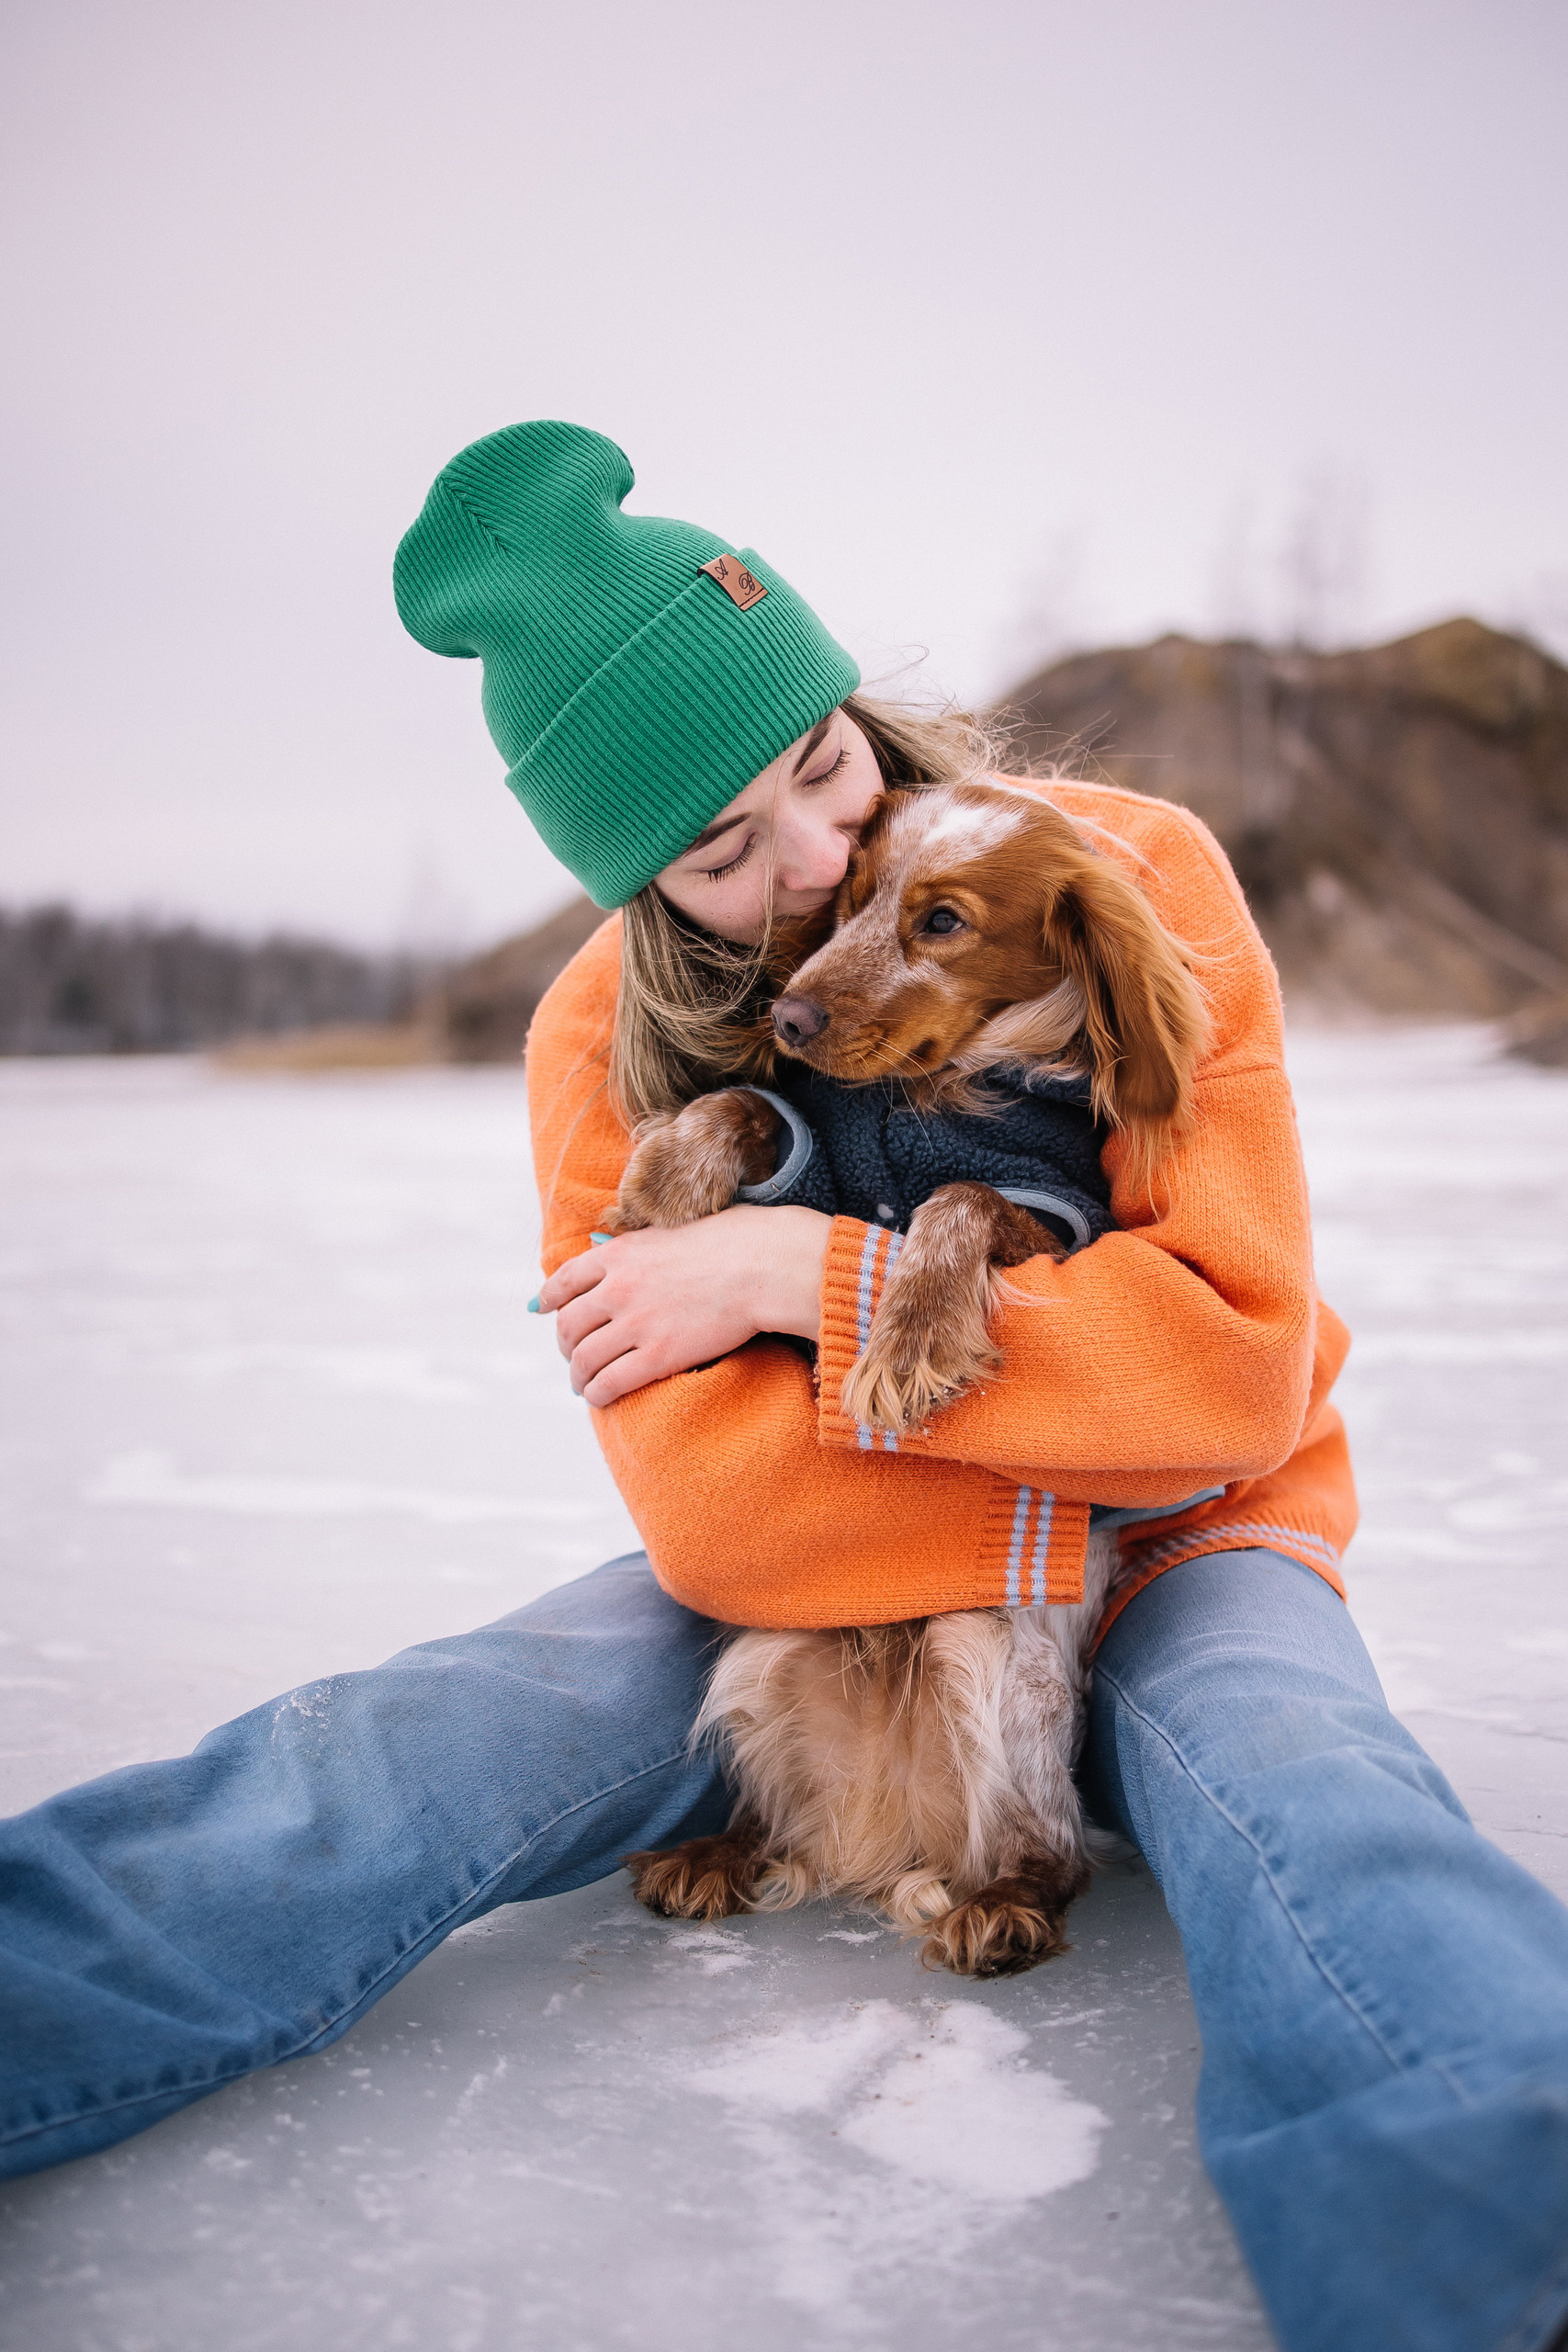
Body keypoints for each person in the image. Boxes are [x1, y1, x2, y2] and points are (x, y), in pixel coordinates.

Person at [2, 422, 1565, 2352]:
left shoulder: (1118, 873)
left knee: (1319, 1803)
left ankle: (1509, 2258)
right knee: (387, 1751)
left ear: (846, 699)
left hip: (1183, 1545)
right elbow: (717, 1508)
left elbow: (1229, 1366)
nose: (818, 864)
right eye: (724, 853)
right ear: (642, 889)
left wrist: (786, 1271)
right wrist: (1033, 1424)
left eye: (818, 766)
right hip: (815, 1596)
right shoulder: (599, 1035)